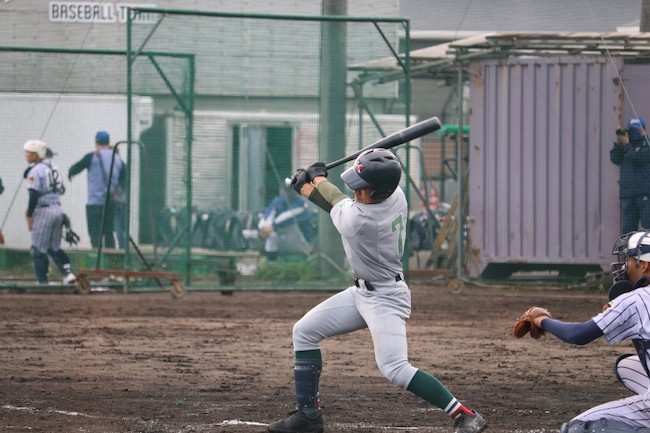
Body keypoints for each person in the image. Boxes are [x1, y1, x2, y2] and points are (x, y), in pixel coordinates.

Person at [267, 149, 487, 433]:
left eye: (363, 190)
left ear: (379, 191)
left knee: (394, 367)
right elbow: (339, 201)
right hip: (360, 293)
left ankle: (465, 414)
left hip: (386, 298)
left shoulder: (359, 222)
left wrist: (311, 182)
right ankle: (308, 416)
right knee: (304, 331)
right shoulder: (396, 196)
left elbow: (335, 200)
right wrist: (310, 184)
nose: (357, 193)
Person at [517, 230, 650, 433]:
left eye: (629, 260)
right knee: (626, 366)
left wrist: (541, 319)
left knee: (578, 428)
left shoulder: (635, 299)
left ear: (644, 265)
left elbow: (579, 335)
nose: (625, 266)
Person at [23, 139, 76, 285]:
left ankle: (42, 281)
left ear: (37, 154)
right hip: (57, 209)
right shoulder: (54, 166)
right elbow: (62, 189)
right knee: (54, 247)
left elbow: (33, 195)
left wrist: (29, 214)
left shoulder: (36, 170)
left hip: (43, 211)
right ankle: (68, 273)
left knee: (38, 249)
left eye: (29, 153)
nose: (26, 155)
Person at [68, 131, 123, 249]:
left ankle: (98, 260)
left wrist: (70, 173)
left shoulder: (92, 157)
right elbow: (124, 175)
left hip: (95, 203)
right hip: (110, 203)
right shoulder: (117, 158)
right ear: (108, 142)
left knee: (95, 233)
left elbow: (77, 166)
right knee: (109, 233)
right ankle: (111, 260)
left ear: (96, 141)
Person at [610, 117, 650, 234]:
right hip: (628, 193)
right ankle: (629, 252)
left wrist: (627, 145)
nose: (633, 133)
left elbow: (637, 158)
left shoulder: (646, 145)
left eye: (636, 130)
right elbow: (615, 159)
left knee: (647, 227)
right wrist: (619, 142)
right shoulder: (625, 145)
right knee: (628, 229)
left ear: (644, 130)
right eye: (631, 130)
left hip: (644, 193)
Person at [257, 186, 314, 261]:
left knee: (290, 226)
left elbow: (289, 216)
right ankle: (271, 263)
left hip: (300, 244)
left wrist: (272, 227)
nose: (289, 192)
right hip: (282, 242)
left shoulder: (301, 204)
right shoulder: (278, 201)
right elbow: (268, 215)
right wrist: (263, 229)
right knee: (272, 235)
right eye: (287, 190)